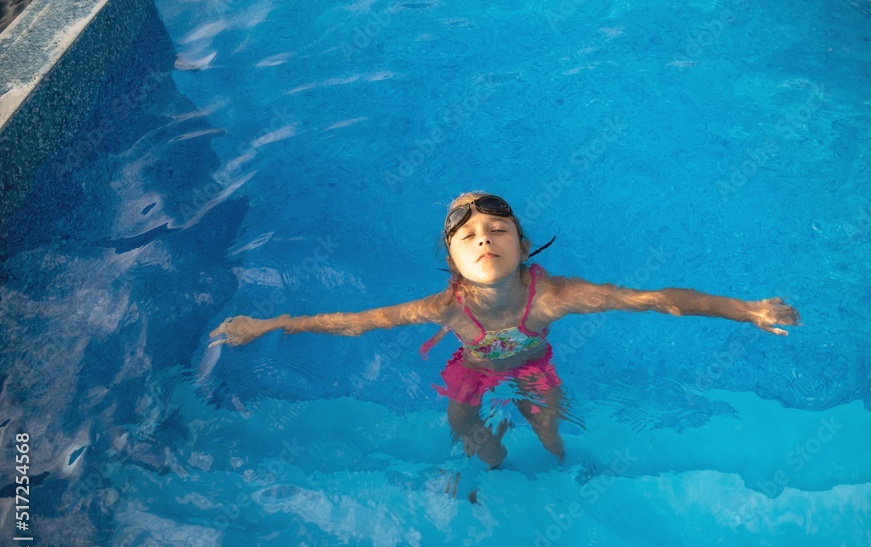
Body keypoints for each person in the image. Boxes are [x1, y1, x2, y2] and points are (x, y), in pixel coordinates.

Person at [210, 191, 801, 470]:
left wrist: (747, 309)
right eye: (468, 236)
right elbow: (355, 324)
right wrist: (270, 322)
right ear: (452, 262)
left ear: (522, 243)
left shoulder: (553, 295)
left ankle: (558, 467)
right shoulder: (443, 309)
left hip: (533, 365)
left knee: (550, 430)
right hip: (467, 367)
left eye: (497, 228)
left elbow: (654, 301)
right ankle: (493, 467)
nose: (484, 239)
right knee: (466, 427)